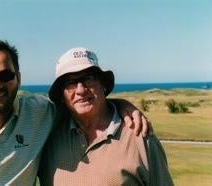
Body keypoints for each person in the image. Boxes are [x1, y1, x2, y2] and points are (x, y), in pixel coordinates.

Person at [0, 39, 150, 185]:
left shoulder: (40, 113)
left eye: (6, 75)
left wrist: (119, 105)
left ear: (18, 79)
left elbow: (81, 101)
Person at [38, 47, 173, 185]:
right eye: (70, 83)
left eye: (88, 79)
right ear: (62, 95)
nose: (80, 90)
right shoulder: (48, 136)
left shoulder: (139, 135)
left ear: (103, 84)